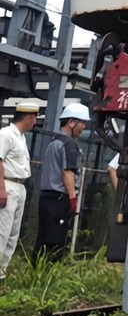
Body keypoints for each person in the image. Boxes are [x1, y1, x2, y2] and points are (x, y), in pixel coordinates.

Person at [34, 101, 88, 258]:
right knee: (56, 240)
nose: (84, 127)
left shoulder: (54, 142)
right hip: (59, 198)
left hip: (46, 196)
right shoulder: (68, 144)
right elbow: (67, 173)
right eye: (82, 122)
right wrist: (72, 199)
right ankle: (48, 274)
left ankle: (36, 270)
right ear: (71, 122)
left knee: (43, 237)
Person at [0, 97, 38, 280]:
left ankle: (2, 272)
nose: (35, 121)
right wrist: (1, 189)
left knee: (13, 233)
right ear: (27, 117)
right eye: (34, 117)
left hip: (20, 185)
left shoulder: (20, 137)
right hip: (8, 183)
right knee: (2, 230)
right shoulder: (6, 134)